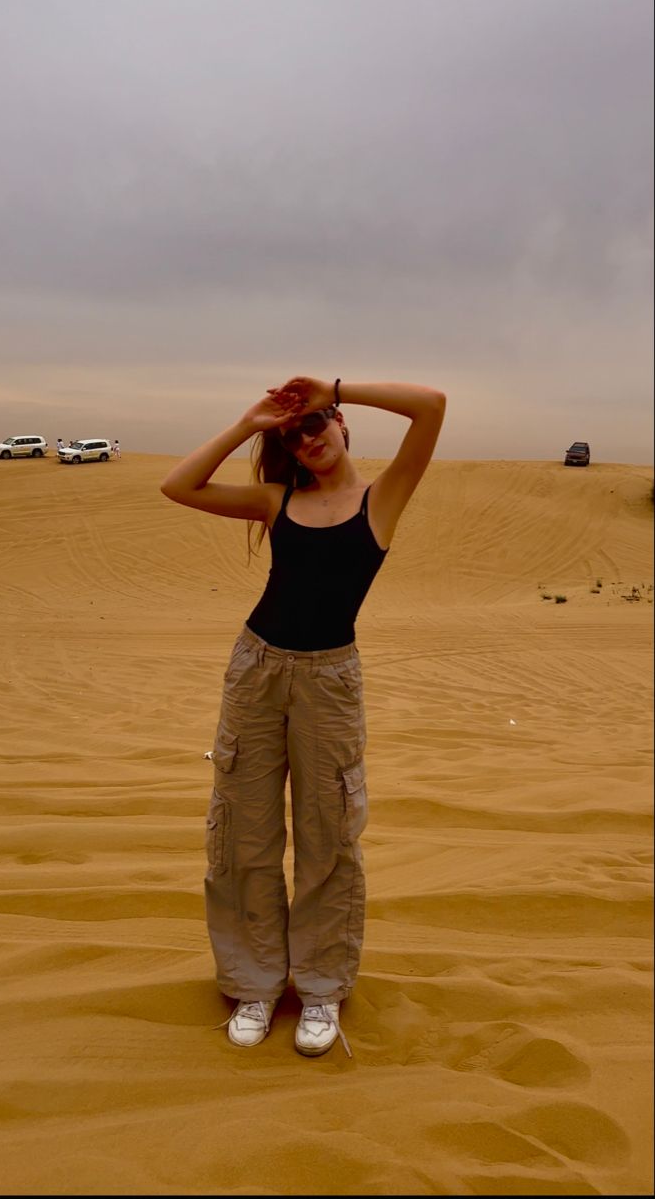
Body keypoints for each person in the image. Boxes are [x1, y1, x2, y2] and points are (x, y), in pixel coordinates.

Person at [160, 376, 446, 1057]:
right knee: (242, 830)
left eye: (315, 423)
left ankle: (320, 988)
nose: (306, 439)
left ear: (341, 423)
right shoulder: (278, 499)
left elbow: (431, 406)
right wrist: (248, 423)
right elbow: (179, 486)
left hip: (329, 682)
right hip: (256, 672)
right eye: (292, 434)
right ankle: (254, 983)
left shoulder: (383, 498)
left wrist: (335, 384)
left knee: (329, 835)